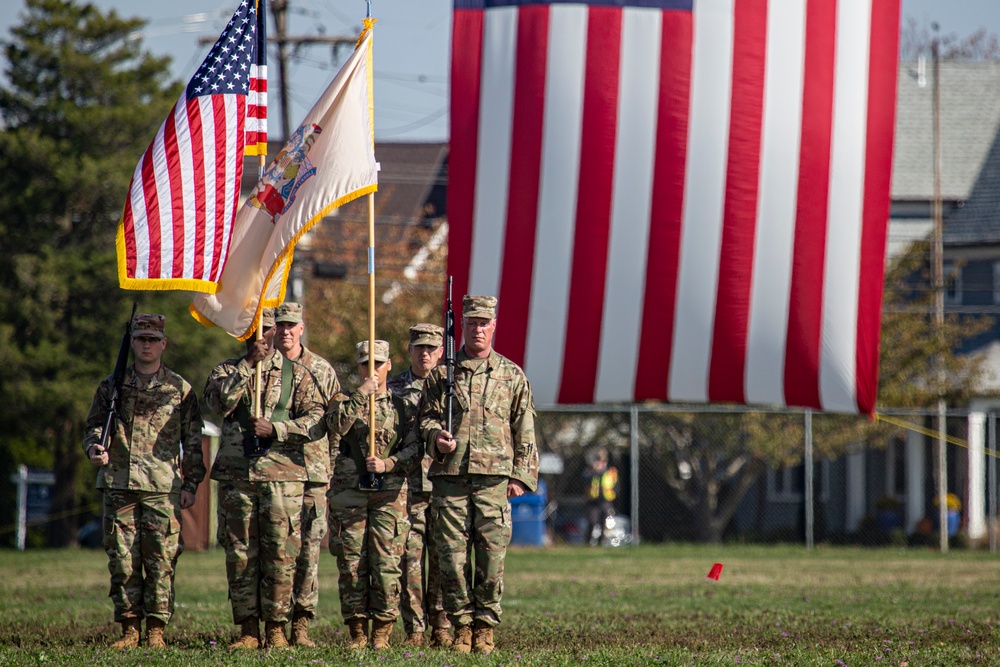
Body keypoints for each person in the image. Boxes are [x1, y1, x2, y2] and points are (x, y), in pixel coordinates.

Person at [419, 295, 539, 655]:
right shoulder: (443, 374)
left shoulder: (511, 374)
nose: (478, 329)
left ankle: (485, 627)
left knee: (491, 559)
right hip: (450, 478)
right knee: (451, 560)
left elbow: (526, 428)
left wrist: (520, 477)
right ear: (463, 327)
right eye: (472, 323)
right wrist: (434, 438)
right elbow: (424, 419)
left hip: (493, 481)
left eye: (484, 323)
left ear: (494, 326)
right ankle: (462, 628)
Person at [204, 308, 325, 650]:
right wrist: (247, 367)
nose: (263, 335)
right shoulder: (226, 370)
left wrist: (279, 429)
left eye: (268, 329)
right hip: (238, 477)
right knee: (240, 554)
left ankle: (275, 627)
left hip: (282, 478)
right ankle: (247, 629)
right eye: (254, 330)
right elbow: (217, 404)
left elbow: (316, 419)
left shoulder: (297, 374)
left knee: (281, 554)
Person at [82, 313, 205, 649]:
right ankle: (129, 628)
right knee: (122, 561)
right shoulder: (111, 386)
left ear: (163, 343)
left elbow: (193, 440)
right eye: (141, 338)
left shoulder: (179, 389)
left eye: (153, 339)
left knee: (161, 561)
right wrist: (94, 446)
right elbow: (94, 427)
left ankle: (155, 630)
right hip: (119, 485)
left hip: (162, 489)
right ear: (132, 342)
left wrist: (192, 484)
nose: (147, 344)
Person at [327, 340, 421, 650]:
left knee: (386, 563)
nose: (373, 369)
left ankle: (382, 632)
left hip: (389, 494)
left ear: (389, 364)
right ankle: (357, 633)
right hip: (350, 492)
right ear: (359, 366)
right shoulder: (344, 399)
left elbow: (414, 447)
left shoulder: (402, 405)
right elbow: (336, 426)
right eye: (367, 363)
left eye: (378, 363)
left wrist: (388, 463)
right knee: (352, 564)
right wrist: (360, 396)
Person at [272, 302, 340, 647]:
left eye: (291, 325)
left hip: (311, 474)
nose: (285, 331)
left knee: (308, 553)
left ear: (302, 327)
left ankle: (301, 624)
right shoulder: (262, 368)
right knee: (277, 552)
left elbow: (337, 423)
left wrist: (333, 468)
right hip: (271, 475)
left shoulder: (321, 370)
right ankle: (272, 625)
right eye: (279, 325)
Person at [386, 323, 451, 648]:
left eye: (431, 348)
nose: (425, 353)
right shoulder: (393, 387)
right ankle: (414, 630)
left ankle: (441, 626)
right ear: (409, 350)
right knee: (409, 562)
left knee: (442, 559)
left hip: (442, 485)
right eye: (419, 347)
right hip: (406, 488)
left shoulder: (451, 387)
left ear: (441, 352)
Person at [584, 447, 619, 546]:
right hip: (593, 501)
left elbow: (616, 486)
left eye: (603, 460)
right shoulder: (590, 472)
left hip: (606, 501)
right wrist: (594, 471)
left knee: (605, 522)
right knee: (592, 521)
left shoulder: (611, 472)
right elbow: (585, 479)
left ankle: (602, 542)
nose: (601, 463)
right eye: (598, 460)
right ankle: (588, 542)